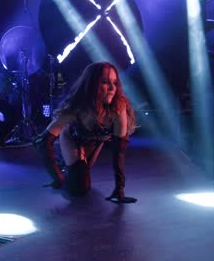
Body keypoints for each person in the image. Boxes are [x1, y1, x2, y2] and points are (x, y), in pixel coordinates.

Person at [33, 61, 137, 203]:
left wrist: (120, 190)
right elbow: (43, 141)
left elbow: (119, 151)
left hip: (95, 141)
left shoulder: (118, 107)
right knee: (80, 188)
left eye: (114, 82)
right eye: (105, 82)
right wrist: (57, 177)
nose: (112, 88)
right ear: (93, 84)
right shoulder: (78, 106)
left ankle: (69, 167)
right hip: (72, 139)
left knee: (82, 172)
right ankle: (65, 167)